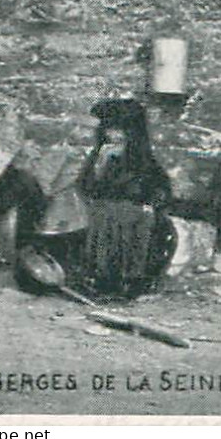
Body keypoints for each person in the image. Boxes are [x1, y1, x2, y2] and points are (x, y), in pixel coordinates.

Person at [76, 98, 176, 299]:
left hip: (135, 215)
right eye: (109, 130)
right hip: (103, 213)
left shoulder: (142, 158)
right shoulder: (101, 155)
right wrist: (100, 165)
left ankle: (130, 280)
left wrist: (150, 204)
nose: (113, 136)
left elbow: (157, 190)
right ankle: (101, 279)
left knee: (126, 217)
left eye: (119, 131)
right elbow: (87, 188)